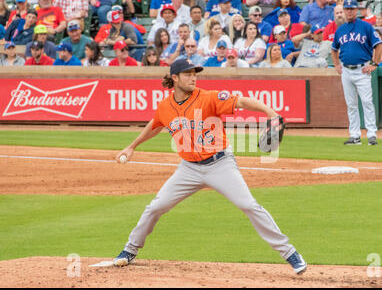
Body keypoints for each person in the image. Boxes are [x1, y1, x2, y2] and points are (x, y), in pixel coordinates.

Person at [111, 57, 308, 277]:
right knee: (156, 207)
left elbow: (242, 101)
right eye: (188, 74)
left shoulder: (208, 98)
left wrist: (271, 114)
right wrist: (131, 147)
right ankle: (130, 250)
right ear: (174, 78)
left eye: (195, 73)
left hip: (220, 164)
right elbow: (155, 125)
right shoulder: (165, 106)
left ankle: (290, 253)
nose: (193, 77)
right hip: (188, 169)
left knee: (249, 205)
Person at [331, 0, 382, 146]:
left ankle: (371, 134)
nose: (349, 11)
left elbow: (378, 45)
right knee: (351, 104)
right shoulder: (340, 29)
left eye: (351, 9)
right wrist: (336, 65)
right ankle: (355, 136)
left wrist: (375, 63)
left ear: (356, 10)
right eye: (346, 9)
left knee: (367, 102)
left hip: (362, 69)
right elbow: (334, 49)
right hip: (346, 70)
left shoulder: (365, 26)